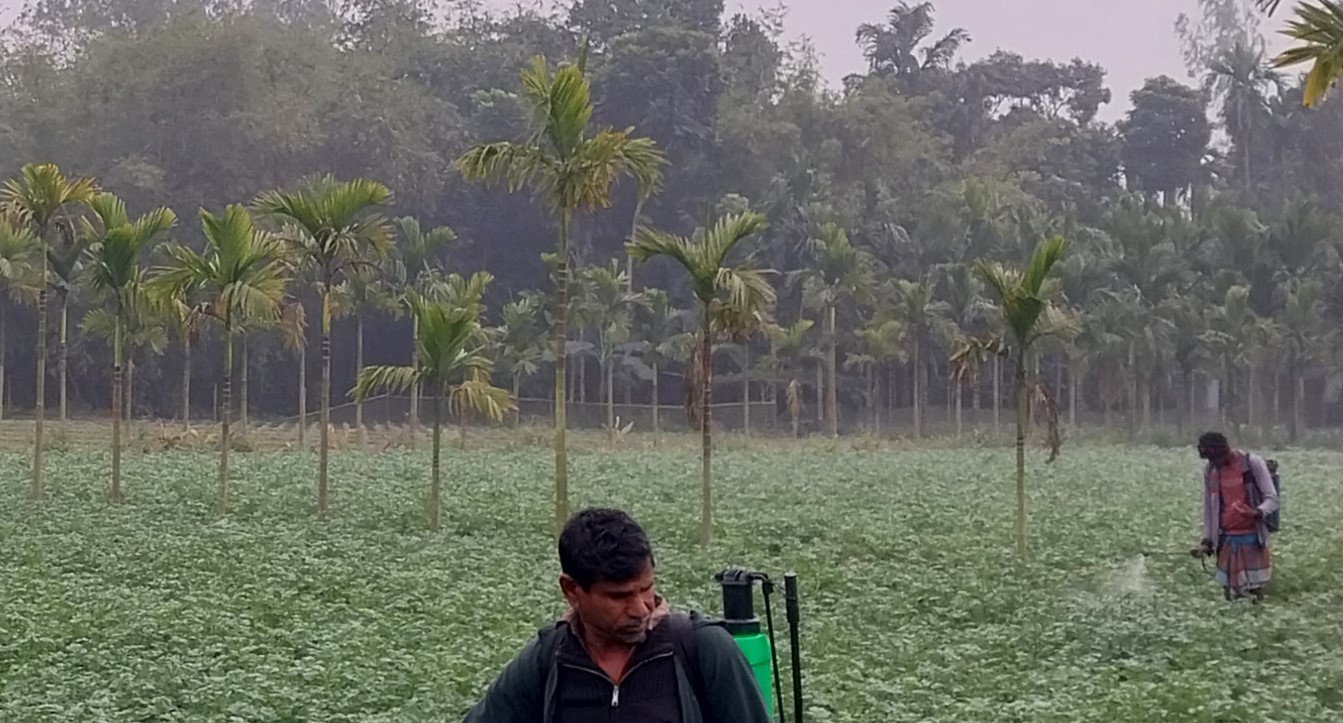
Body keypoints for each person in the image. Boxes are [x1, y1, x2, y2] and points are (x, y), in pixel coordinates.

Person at [461, 507, 772, 723]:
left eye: (646, 588)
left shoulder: (702, 649)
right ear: (571, 590)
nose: (640, 608)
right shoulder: (548, 659)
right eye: (618, 596)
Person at [1190, 432, 1279, 602]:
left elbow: (1272, 499)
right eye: (1210, 460)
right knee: (1229, 592)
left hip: (1252, 538)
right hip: (1226, 540)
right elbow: (1210, 509)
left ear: (1225, 451)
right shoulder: (1211, 470)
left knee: (1254, 590)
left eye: (1216, 459)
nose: (1215, 463)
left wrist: (1256, 512)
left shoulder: (1252, 464)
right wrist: (1206, 542)